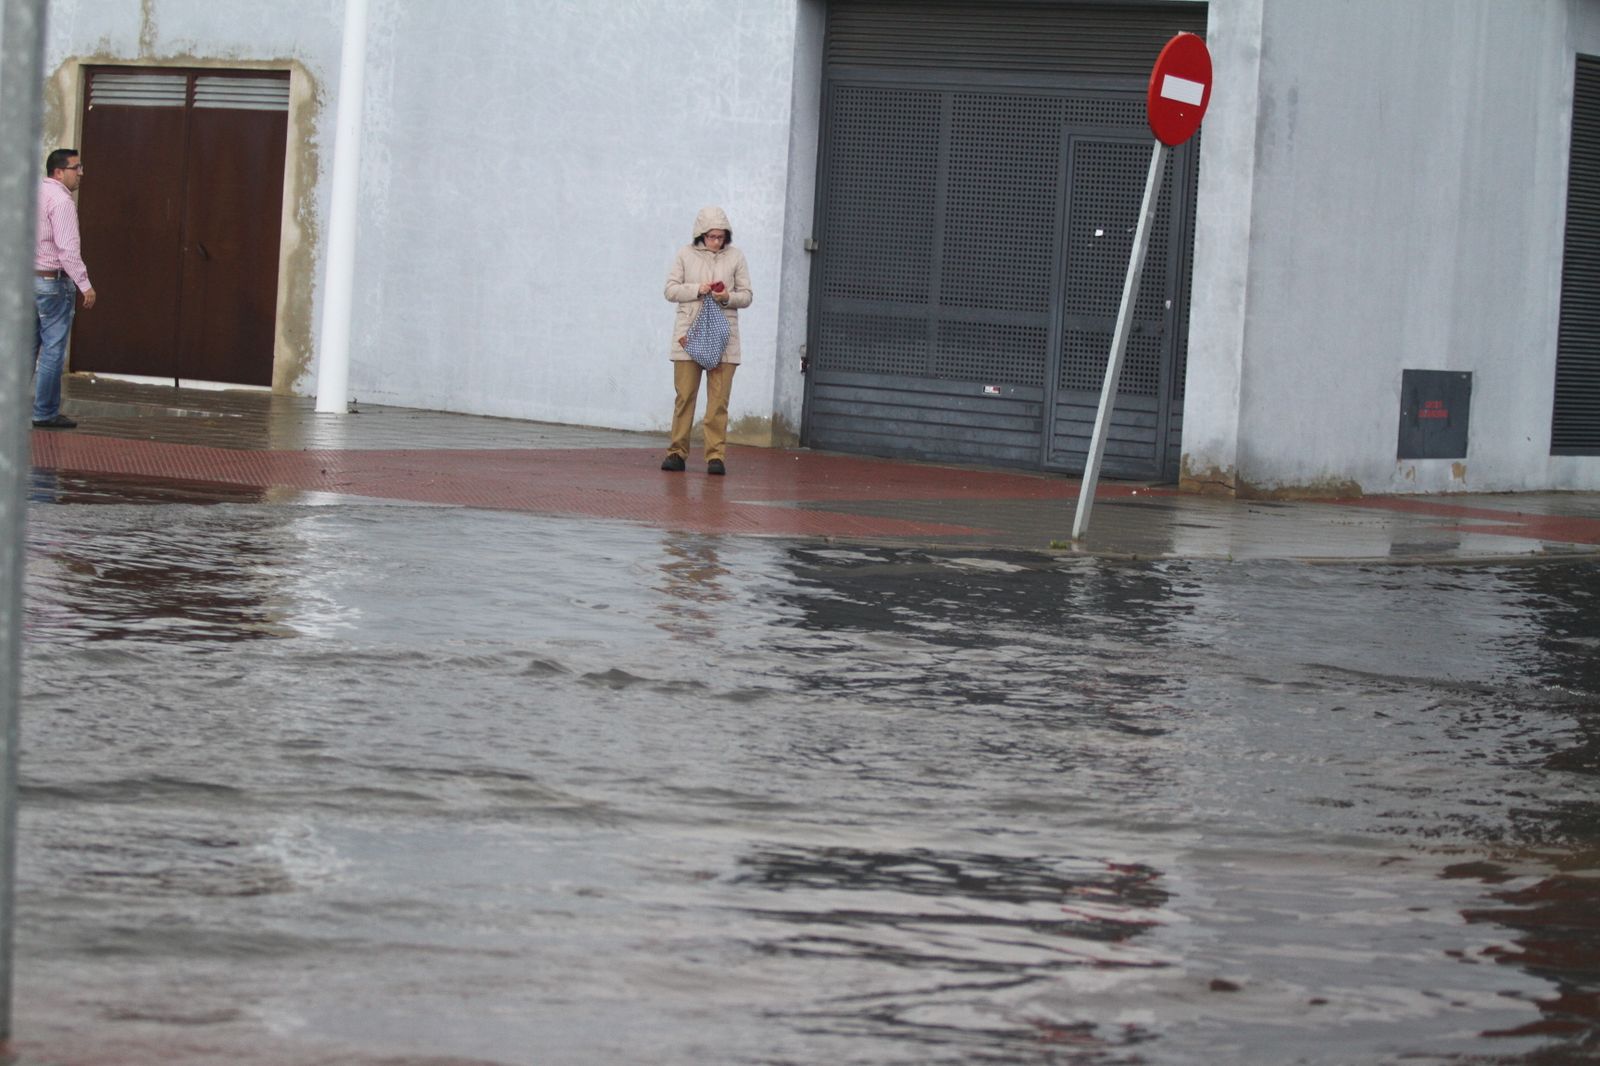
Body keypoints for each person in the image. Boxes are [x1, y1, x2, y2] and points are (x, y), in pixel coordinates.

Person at [661, 206, 752, 476]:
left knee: (718, 402)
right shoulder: (684, 254)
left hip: (724, 338)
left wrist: (727, 297)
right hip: (689, 336)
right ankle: (676, 453)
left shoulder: (736, 257)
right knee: (685, 397)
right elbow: (670, 290)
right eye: (712, 236)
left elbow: (746, 295)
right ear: (701, 234)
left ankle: (715, 457)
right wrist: (696, 289)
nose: (716, 241)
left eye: (721, 236)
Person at [32, 148, 96, 429]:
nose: (80, 173)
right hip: (52, 283)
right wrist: (85, 285)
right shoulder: (61, 201)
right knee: (52, 351)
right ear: (58, 172)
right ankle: (44, 413)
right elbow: (68, 250)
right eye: (76, 167)